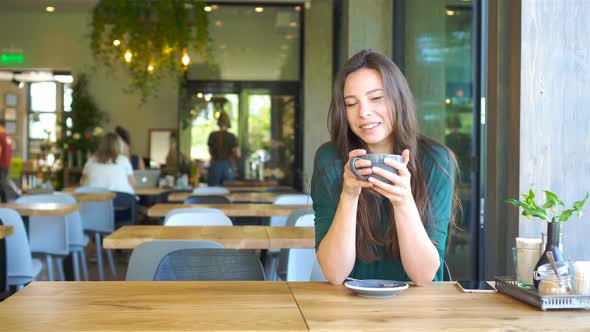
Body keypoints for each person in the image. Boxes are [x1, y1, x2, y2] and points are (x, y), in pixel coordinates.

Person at [311, 50, 459, 286]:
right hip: (349, 304)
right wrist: (349, 195)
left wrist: (403, 201)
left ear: (398, 98)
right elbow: (335, 273)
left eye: (376, 98)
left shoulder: (436, 161)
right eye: (351, 103)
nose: (364, 112)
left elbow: (423, 276)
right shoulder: (331, 159)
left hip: (419, 307)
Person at [207, 111, 241, 186]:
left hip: (215, 165)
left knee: (213, 191)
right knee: (229, 190)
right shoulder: (232, 137)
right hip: (228, 165)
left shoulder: (212, 135)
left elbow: (210, 151)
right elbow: (238, 154)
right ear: (228, 122)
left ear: (218, 122)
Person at [0, 121, 12, 202]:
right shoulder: (7, 136)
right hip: (7, 163)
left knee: (2, 182)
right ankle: (5, 200)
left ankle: (4, 200)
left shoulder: (0, 136)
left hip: (1, 163)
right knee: (3, 181)